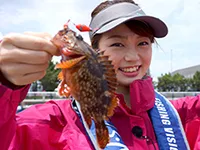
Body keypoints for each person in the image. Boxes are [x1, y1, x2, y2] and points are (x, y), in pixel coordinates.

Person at [0, 0, 200, 149]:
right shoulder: (52, 121)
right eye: (117, 44)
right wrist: (4, 84)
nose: (133, 57)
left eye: (143, 43)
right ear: (94, 51)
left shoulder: (184, 114)